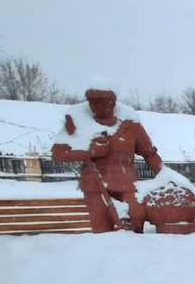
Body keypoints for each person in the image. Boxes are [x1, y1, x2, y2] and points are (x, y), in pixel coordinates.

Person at [52, 88, 163, 233]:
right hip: (94, 184)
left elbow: (149, 154)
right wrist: (91, 152)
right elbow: (58, 154)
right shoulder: (80, 125)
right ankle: (105, 253)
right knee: (101, 226)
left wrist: (165, 174)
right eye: (91, 102)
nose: (94, 106)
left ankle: (135, 252)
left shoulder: (131, 127)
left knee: (136, 217)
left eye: (99, 102)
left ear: (111, 103)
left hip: (126, 182)